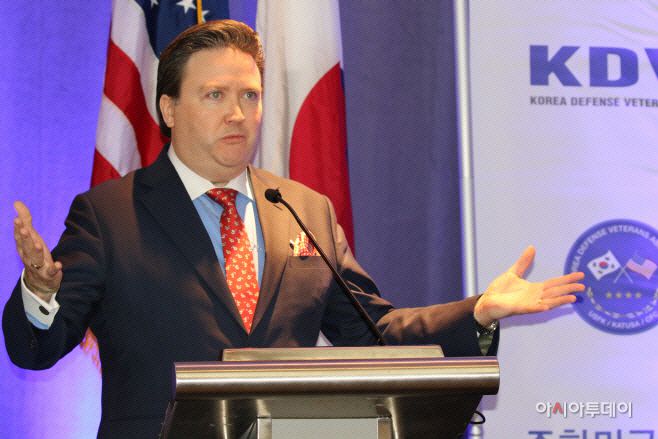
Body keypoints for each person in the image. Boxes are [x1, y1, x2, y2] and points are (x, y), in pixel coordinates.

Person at [3, 20, 584, 438]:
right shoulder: (109, 214)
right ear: (169, 109)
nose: (238, 113)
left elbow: (374, 333)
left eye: (250, 95)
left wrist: (478, 311)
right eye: (215, 95)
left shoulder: (303, 208)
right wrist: (41, 293)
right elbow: (36, 349)